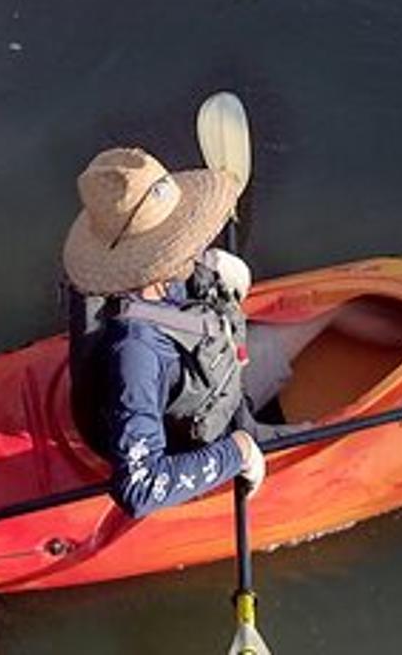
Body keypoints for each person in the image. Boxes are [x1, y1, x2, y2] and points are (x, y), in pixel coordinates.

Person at [63, 145, 270, 518]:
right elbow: (138, 488)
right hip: (193, 429)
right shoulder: (136, 354)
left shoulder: (141, 275)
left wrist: (207, 267)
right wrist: (238, 451)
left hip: (207, 379)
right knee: (332, 428)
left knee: (333, 323)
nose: (194, 241)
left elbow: (168, 282)